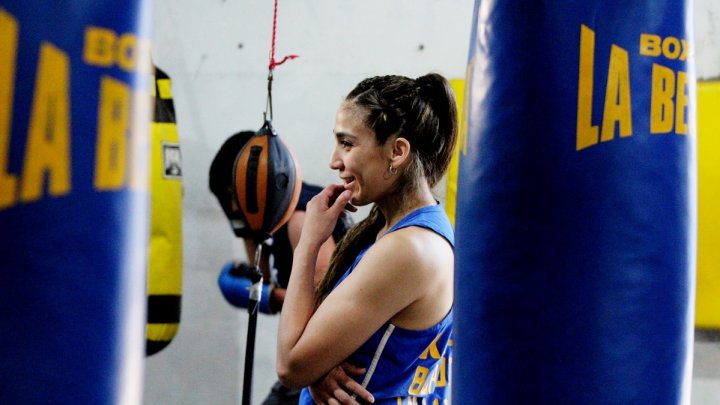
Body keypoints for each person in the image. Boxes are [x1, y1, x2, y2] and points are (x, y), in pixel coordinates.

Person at [277, 73, 458, 404]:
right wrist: (320, 365)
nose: (334, 161)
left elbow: (290, 366)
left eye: (347, 144)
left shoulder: (409, 249)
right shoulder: (397, 231)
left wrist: (309, 242)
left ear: (397, 152)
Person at [209, 130, 357, 404]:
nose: (232, 205)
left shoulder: (300, 219)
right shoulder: (277, 220)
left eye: (235, 194)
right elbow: (265, 276)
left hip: (331, 362)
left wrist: (270, 297)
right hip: (314, 359)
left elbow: (325, 305)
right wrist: (245, 228)